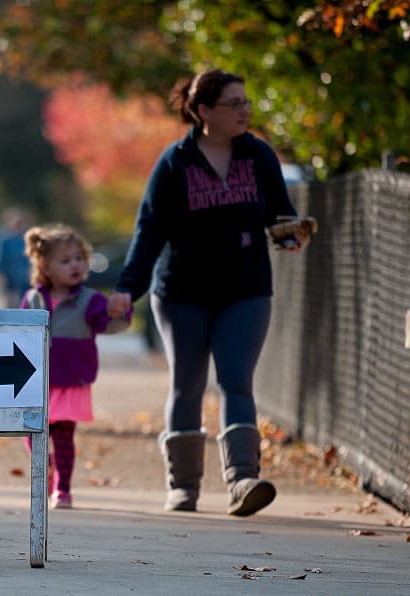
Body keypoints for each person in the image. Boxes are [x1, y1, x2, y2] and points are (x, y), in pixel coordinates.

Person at [106, 69, 310, 516]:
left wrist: (290, 234)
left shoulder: (258, 156)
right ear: (203, 112)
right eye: (234, 104)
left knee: (237, 380)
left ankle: (242, 480)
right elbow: (150, 231)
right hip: (182, 292)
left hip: (245, 289)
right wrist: (127, 289)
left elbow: (280, 213)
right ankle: (183, 487)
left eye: (246, 103)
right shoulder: (175, 162)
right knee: (188, 384)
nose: (244, 111)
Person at [21, 224, 132, 509]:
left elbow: (108, 325)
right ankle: (43, 472)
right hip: (36, 381)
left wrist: (122, 313)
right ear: (45, 266)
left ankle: (64, 489)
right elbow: (20, 334)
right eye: (65, 260)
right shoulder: (33, 299)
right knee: (33, 434)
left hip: (71, 380)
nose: (75, 265)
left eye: (79, 258)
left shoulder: (90, 300)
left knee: (64, 436)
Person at [0, 207, 32, 308]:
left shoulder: (27, 238)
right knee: (10, 301)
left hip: (25, 277)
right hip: (9, 275)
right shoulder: (5, 238)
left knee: (24, 301)